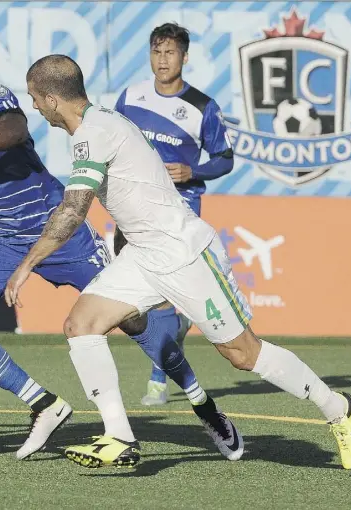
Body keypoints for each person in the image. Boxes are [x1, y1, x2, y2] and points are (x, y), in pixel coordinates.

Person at [0, 60, 242, 462]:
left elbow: (15, 131)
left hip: (56, 230)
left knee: (131, 319)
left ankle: (203, 405)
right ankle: (43, 404)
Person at [6, 54, 351, 471]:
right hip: (144, 254)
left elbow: (74, 208)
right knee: (81, 324)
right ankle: (119, 436)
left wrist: (27, 264)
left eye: (34, 98)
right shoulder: (98, 125)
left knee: (243, 354)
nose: (33, 106)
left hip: (184, 253)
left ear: (51, 98)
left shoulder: (94, 131)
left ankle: (338, 408)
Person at [114, 23, 235, 406]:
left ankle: (157, 380)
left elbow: (224, 159)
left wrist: (192, 171)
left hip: (179, 210)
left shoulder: (202, 107)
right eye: (156, 51)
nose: (162, 60)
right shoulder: (130, 97)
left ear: (184, 57)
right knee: (140, 297)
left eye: (170, 53)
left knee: (163, 291)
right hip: (133, 208)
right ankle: (175, 333)